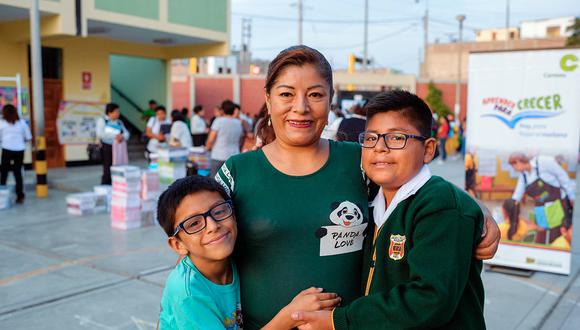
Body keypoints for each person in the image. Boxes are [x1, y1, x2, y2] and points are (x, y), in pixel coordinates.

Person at [214, 46, 500, 329]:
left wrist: (478, 210)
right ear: (268, 97)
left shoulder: (360, 161)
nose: (300, 107)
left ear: (330, 100)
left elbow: (417, 188)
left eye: (315, 94)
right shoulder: (237, 172)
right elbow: (197, 245)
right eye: (286, 94)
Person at [292, 90, 486, 329]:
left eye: (396, 138)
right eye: (371, 138)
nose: (380, 148)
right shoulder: (371, 199)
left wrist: (338, 321)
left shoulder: (440, 205)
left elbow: (429, 298)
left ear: (428, 150)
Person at [156, 176, 341, 329]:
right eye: (194, 223)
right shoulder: (188, 293)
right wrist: (291, 316)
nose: (213, 226)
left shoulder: (234, 257)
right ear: (178, 245)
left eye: (219, 211)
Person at [509, 152, 575, 244]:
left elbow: (562, 176)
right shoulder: (523, 175)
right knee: (541, 238)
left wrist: (572, 196)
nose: (514, 169)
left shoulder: (543, 161)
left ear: (518, 162)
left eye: (513, 166)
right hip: (541, 209)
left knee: (557, 237)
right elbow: (517, 194)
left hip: (557, 205)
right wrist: (511, 207)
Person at [0, 104, 32, 204]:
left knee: (4, 173)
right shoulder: (22, 123)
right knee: (18, 173)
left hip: (6, 149)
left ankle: (2, 196)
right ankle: (20, 196)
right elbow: (28, 137)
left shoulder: (1, 123)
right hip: (19, 150)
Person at [206, 100, 244, 177]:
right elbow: (241, 140)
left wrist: (207, 148)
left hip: (218, 155)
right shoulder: (238, 123)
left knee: (214, 184)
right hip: (234, 156)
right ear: (234, 110)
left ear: (222, 110)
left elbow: (211, 139)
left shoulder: (218, 121)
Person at [96, 103, 130, 185]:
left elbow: (126, 133)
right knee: (108, 168)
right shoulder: (102, 121)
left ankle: (115, 185)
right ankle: (105, 186)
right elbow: (100, 134)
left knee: (117, 167)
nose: (118, 114)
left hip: (118, 149)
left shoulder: (119, 122)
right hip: (107, 148)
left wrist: (122, 136)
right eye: (116, 112)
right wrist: (115, 136)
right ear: (109, 112)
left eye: (118, 112)